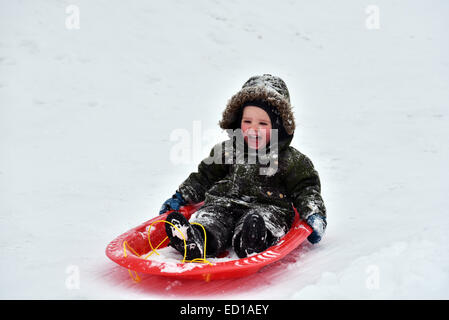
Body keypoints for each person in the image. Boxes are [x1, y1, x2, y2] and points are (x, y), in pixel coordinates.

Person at [159, 74, 327, 259]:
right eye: (247, 122)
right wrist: (181, 196)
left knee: (263, 221)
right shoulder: (227, 151)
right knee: (212, 217)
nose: (253, 129)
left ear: (278, 127)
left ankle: (252, 241)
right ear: (238, 122)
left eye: (262, 123)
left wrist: (314, 214)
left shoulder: (290, 159)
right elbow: (204, 177)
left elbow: (306, 189)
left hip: (268, 208)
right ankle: (196, 239)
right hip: (224, 203)